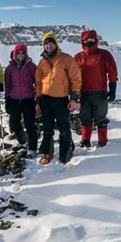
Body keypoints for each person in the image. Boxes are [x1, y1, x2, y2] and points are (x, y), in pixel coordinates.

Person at [35, 33, 82, 165]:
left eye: (51, 43)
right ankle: (48, 152)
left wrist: (74, 98)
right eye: (46, 44)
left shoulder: (66, 59)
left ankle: (66, 151)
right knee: (47, 128)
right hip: (45, 99)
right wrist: (38, 100)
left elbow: (75, 78)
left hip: (61, 99)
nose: (48, 46)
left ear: (55, 44)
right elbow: (38, 83)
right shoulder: (42, 62)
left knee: (63, 127)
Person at [74, 30, 119, 147]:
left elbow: (112, 71)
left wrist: (112, 89)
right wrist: (74, 92)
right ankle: (85, 140)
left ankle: (102, 141)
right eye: (86, 40)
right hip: (83, 93)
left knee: (101, 118)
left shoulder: (104, 55)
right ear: (82, 41)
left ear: (96, 40)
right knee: (85, 117)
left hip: (100, 93)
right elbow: (72, 76)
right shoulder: (78, 57)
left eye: (91, 39)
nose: (89, 42)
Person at [4, 44, 38, 158]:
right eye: (18, 53)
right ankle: (23, 141)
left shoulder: (31, 67)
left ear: (26, 54)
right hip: (14, 99)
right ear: (14, 54)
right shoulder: (9, 68)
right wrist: (7, 100)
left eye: (23, 53)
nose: (20, 55)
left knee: (30, 124)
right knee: (14, 123)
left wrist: (37, 97)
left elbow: (38, 83)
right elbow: (7, 86)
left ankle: (32, 148)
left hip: (28, 99)